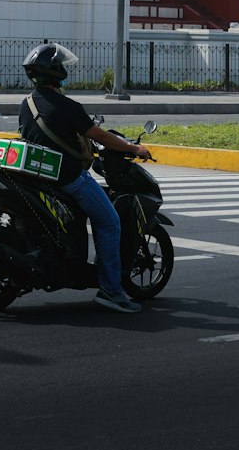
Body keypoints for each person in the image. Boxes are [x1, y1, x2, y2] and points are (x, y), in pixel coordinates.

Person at [18, 42, 152, 315]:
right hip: (67, 178)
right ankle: (112, 291)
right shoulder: (68, 106)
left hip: (36, 177)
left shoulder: (27, 103)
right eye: (61, 66)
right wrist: (134, 148)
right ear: (54, 72)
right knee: (110, 221)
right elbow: (100, 137)